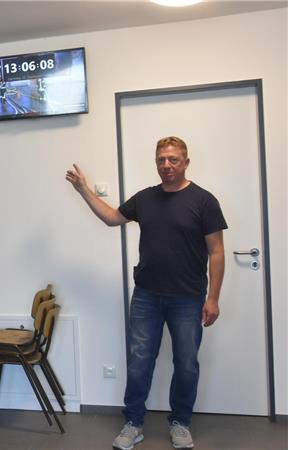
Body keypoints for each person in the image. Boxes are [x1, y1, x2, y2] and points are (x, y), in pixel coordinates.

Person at [65, 136, 226, 450]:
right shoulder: (145, 199)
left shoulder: (204, 201)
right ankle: (133, 423)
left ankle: (180, 423)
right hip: (147, 297)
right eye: (161, 160)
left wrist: (213, 298)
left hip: (188, 297)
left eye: (173, 159)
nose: (166, 165)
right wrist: (83, 190)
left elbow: (217, 251)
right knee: (140, 361)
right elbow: (113, 218)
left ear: (186, 162)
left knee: (187, 363)